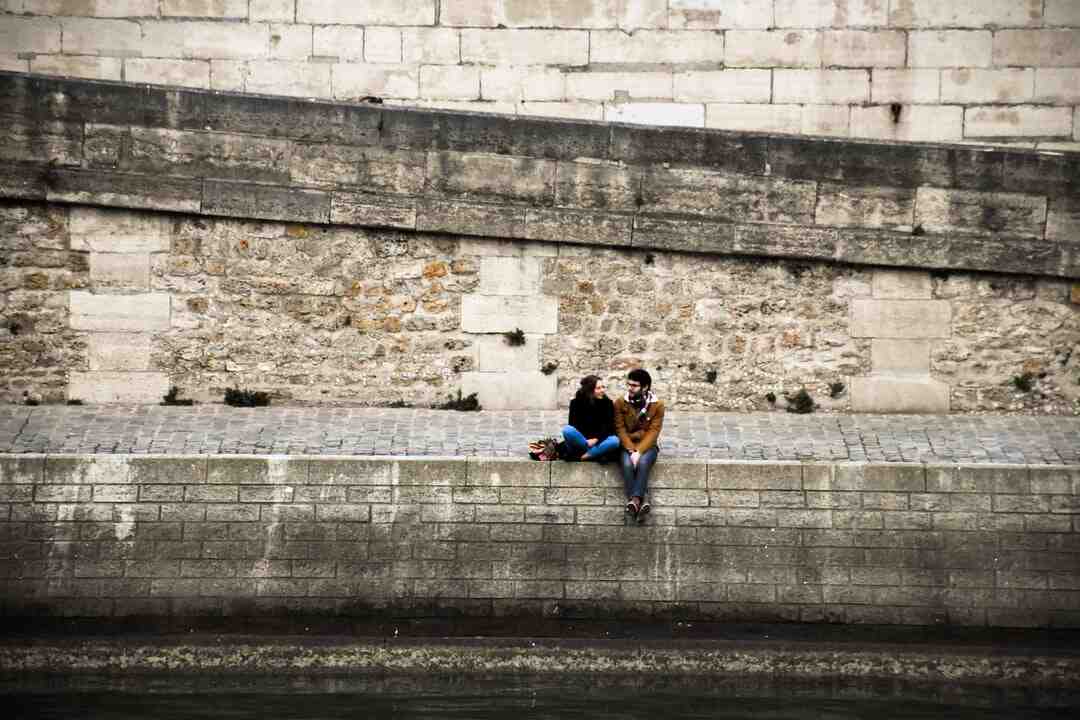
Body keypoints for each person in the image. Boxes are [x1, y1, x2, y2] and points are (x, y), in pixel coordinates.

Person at [614, 368, 664, 522]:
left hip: (648, 446)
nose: (630, 388)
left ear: (645, 387)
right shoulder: (620, 403)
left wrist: (639, 451)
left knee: (642, 463)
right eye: (629, 384)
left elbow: (653, 431)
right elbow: (620, 429)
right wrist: (631, 450)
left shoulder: (657, 405)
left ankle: (634, 501)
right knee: (627, 464)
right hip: (626, 445)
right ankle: (642, 500)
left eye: (634, 385)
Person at [561, 375, 619, 461]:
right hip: (581, 442)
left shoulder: (608, 403)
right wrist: (587, 441)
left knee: (614, 441)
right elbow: (573, 425)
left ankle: (583, 457)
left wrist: (596, 439)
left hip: (599, 441)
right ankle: (595, 453)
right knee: (567, 430)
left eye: (603, 387)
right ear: (589, 390)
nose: (602, 390)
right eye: (598, 388)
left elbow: (609, 427)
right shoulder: (576, 403)